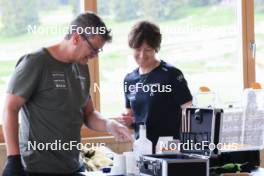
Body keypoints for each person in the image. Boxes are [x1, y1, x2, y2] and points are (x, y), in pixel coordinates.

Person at [2, 12, 132, 176]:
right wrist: (13, 159)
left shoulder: (82, 67)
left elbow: (89, 113)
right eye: (93, 50)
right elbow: (10, 109)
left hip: (73, 166)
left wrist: (109, 125)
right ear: (77, 38)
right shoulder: (35, 62)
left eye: (99, 51)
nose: (95, 56)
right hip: (37, 169)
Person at [120, 21, 192, 150]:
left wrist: (185, 147)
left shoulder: (171, 74)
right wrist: (128, 122)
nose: (142, 55)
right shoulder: (129, 80)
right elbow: (131, 116)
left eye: (147, 50)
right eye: (137, 49)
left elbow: (189, 112)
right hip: (141, 149)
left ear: (156, 49)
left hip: (169, 151)